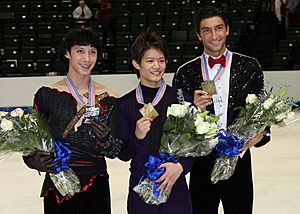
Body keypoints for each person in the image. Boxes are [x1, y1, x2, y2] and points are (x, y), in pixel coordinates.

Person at [173, 5, 271, 214]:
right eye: (206, 30)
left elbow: (262, 110)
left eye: (218, 28)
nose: (214, 35)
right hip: (200, 161)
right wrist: (192, 108)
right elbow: (176, 120)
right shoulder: (186, 71)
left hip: (238, 158)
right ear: (199, 35)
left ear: (227, 29)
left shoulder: (249, 66)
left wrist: (260, 134)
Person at [22, 27, 122, 214]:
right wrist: (32, 160)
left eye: (92, 52)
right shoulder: (47, 94)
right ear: (67, 53)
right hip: (59, 183)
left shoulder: (110, 97)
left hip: (96, 184)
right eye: (80, 51)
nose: (87, 58)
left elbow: (115, 150)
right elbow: (32, 142)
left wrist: (107, 139)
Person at [118, 31, 193, 214]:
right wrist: (137, 136)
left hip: (174, 185)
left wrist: (181, 166)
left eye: (161, 60)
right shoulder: (125, 104)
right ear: (137, 63)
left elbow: (195, 146)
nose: (157, 66)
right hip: (140, 190)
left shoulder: (181, 99)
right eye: (150, 61)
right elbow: (122, 154)